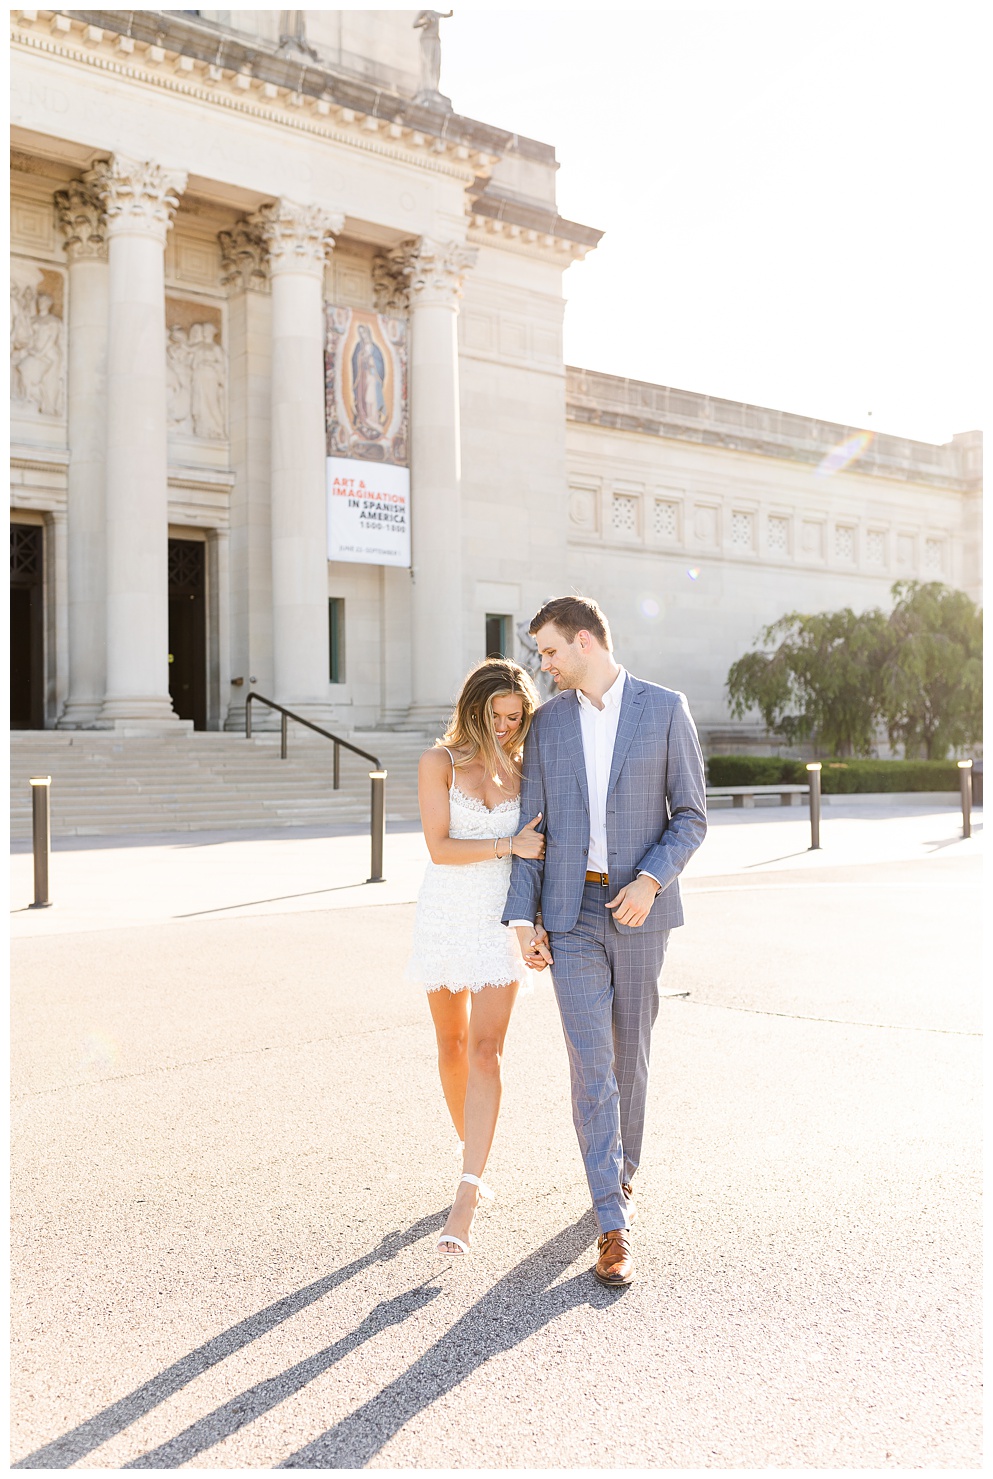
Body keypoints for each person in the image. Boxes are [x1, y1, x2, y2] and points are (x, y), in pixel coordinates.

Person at [503, 596, 707, 1287]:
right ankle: (610, 1222)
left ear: (584, 642)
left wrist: (650, 880)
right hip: (572, 912)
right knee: (589, 1062)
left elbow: (690, 816)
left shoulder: (663, 707)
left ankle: (620, 1175)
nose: (545, 665)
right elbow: (533, 833)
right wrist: (524, 920)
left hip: (639, 908)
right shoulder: (549, 724)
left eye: (551, 651)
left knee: (630, 1054)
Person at [406, 658, 546, 1260]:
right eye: (498, 715)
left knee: (488, 1049)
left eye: (517, 717)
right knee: (453, 1046)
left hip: (499, 922)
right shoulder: (438, 763)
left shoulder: (527, 771)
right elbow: (439, 848)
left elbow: (539, 856)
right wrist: (505, 843)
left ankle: (464, 1197)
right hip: (444, 915)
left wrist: (534, 926)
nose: (508, 727)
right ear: (474, 708)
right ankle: (477, 1156)